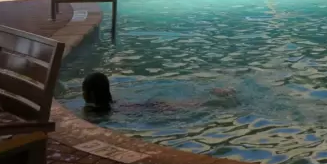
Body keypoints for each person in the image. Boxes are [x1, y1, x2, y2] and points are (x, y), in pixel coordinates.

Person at [82, 71, 235, 115]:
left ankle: (216, 96)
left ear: (92, 94)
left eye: (84, 90)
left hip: (149, 109)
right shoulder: (112, 103)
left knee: (195, 105)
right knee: (193, 104)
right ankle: (216, 93)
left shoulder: (96, 111)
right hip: (148, 106)